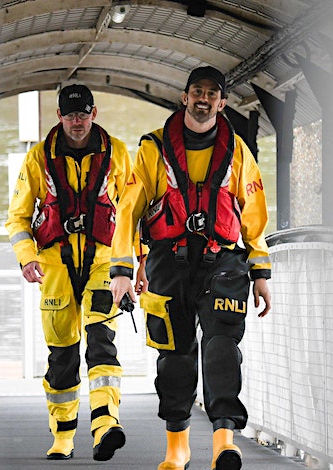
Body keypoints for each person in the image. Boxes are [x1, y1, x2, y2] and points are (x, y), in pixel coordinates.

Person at [109, 66, 272, 470]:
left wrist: (261, 274)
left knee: (221, 349)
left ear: (222, 102)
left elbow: (254, 216)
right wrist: (122, 270)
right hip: (169, 263)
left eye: (211, 94)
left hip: (226, 262)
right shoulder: (153, 149)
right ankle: (176, 449)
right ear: (184, 97)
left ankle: (223, 442)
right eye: (196, 91)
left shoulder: (238, 152)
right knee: (175, 355)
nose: (203, 99)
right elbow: (127, 211)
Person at [5, 84, 131, 461]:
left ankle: (106, 425)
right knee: (61, 356)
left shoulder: (119, 155)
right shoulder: (37, 160)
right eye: (70, 115)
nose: (77, 122)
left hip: (103, 261)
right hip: (55, 266)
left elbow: (132, 215)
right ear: (59, 117)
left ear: (95, 113)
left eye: (83, 113)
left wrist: (135, 268)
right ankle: (63, 435)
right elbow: (17, 218)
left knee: (101, 341)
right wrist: (27, 257)